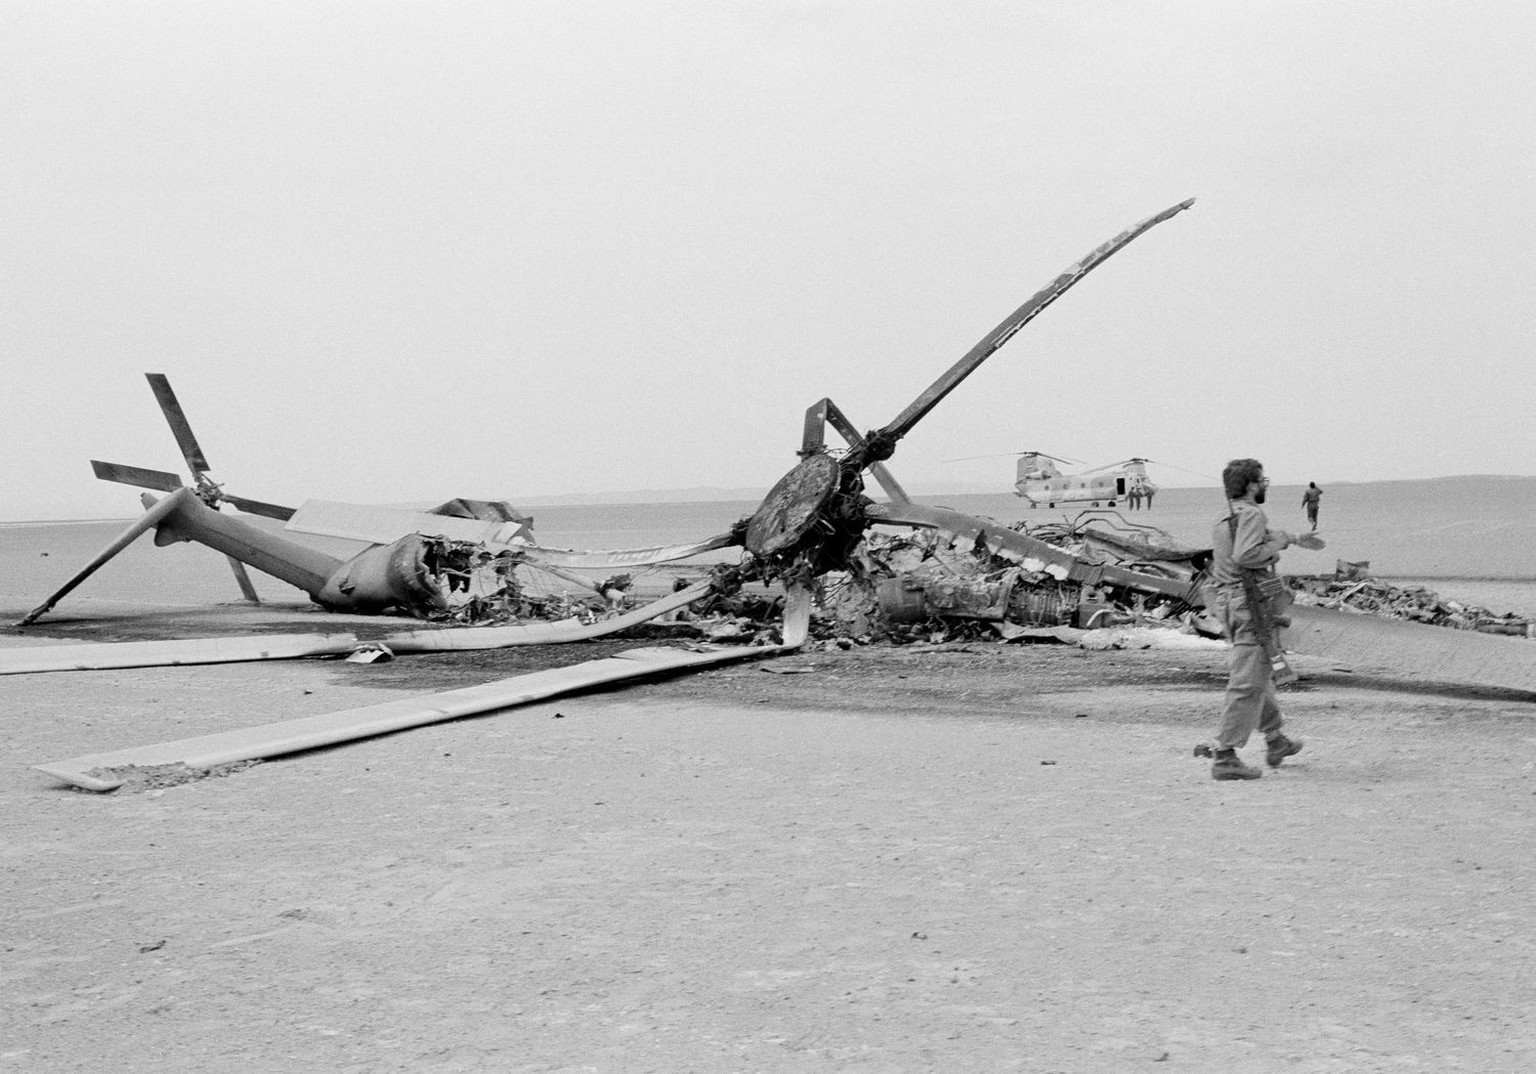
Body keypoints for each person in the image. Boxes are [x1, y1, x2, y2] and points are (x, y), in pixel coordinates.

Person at [1201, 458, 1323, 780]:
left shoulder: (1225, 516)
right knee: (1246, 682)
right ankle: (1225, 756)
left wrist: (1293, 538)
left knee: (1259, 671)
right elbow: (1247, 554)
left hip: (1230, 603)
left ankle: (1275, 740)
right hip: (1250, 605)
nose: (1265, 485)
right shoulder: (1252, 513)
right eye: (1262, 480)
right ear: (1252, 485)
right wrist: (1276, 550)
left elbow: (1262, 538)